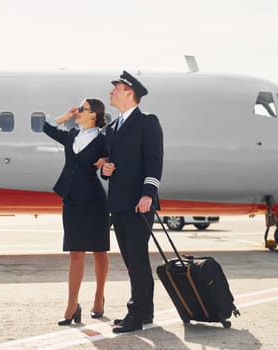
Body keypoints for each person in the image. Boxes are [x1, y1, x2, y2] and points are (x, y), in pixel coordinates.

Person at [102, 71, 164, 333]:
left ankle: (135, 315)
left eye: (115, 88)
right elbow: (105, 163)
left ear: (129, 92)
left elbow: (154, 160)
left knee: (137, 260)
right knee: (131, 260)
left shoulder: (147, 122)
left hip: (140, 203)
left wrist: (148, 194)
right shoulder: (112, 127)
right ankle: (144, 311)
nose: (111, 93)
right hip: (118, 204)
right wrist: (104, 169)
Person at [43, 98, 110, 326]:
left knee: (100, 251)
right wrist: (66, 116)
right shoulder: (71, 135)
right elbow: (47, 127)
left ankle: (99, 296)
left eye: (83, 109)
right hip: (71, 198)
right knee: (75, 253)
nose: (78, 111)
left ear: (94, 115)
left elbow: (112, 165)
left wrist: (107, 161)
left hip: (94, 200)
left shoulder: (104, 140)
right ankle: (72, 305)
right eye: (79, 108)